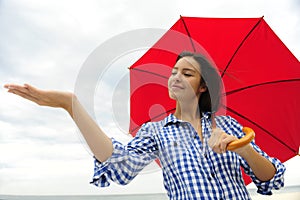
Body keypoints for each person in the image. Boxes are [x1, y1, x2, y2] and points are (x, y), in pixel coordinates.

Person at [4, 51, 285, 199]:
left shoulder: (229, 126)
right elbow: (117, 163)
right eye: (173, 71)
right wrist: (71, 104)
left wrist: (242, 149)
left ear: (202, 87)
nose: (175, 76)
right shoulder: (156, 132)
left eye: (186, 73)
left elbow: (271, 177)